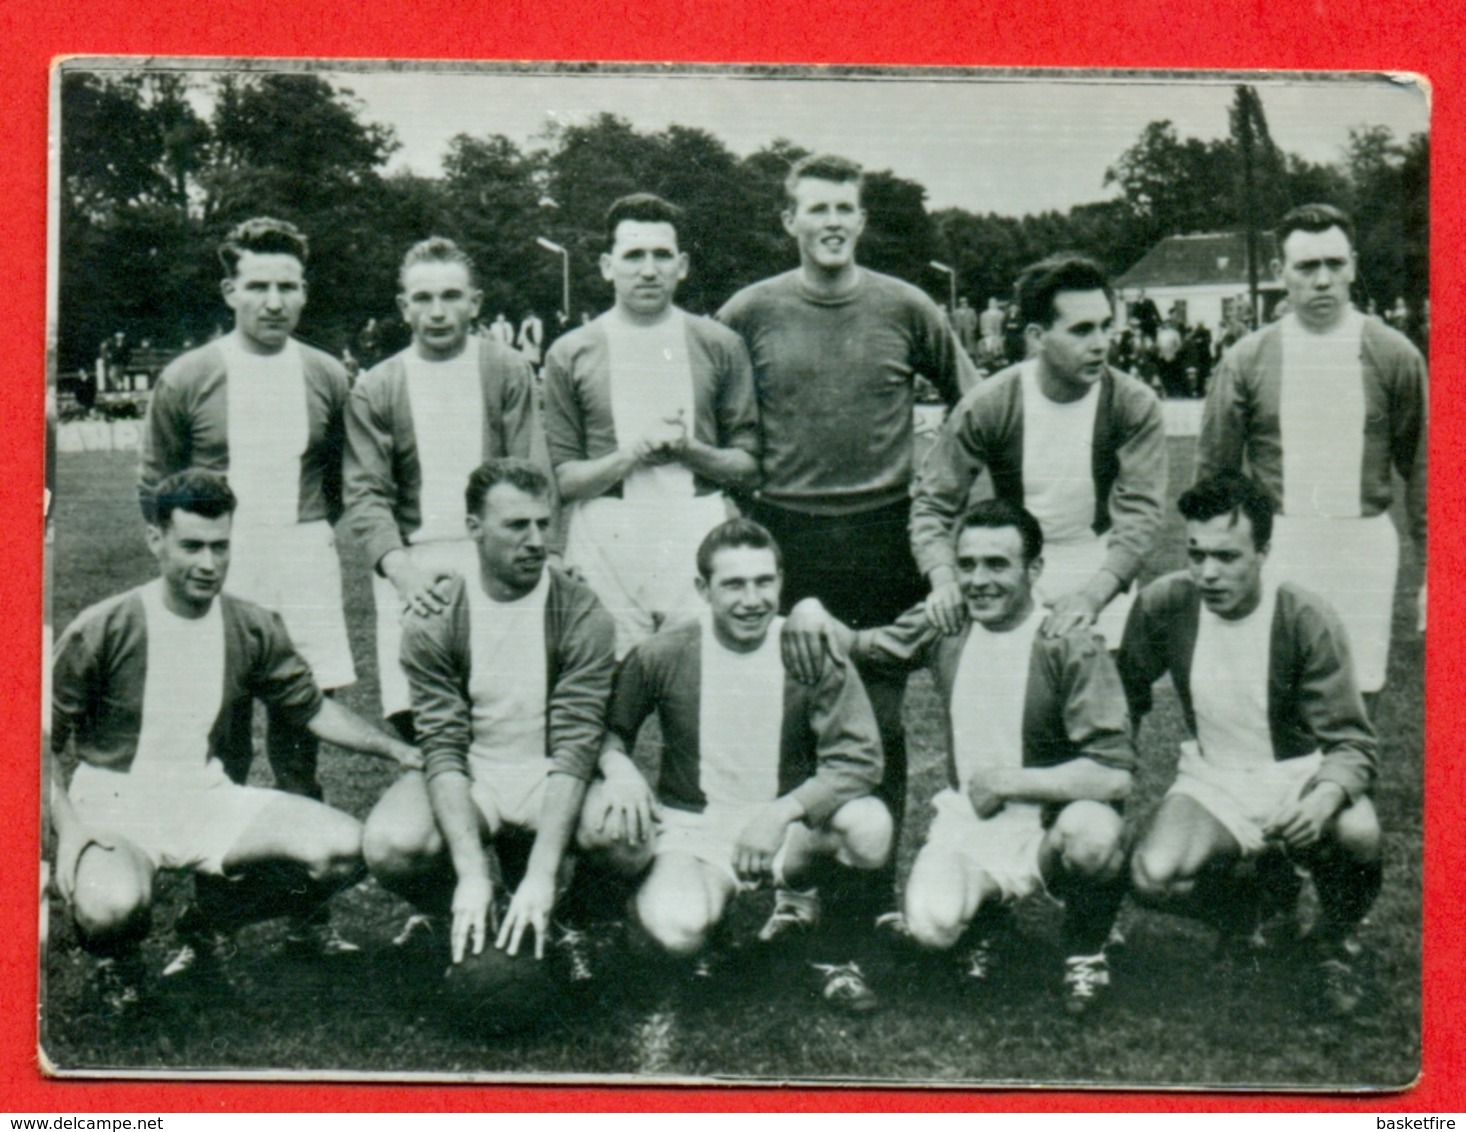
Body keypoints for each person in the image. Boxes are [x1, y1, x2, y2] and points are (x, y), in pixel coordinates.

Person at [717, 153, 969, 953]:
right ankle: (794, 891)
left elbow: (978, 403)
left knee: (882, 723)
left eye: (845, 209)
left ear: (861, 220)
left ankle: (878, 890)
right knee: (794, 721)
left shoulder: (906, 304)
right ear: (789, 219)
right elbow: (718, 422)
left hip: (884, 533)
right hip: (787, 533)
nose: (831, 222)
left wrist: (940, 493)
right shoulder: (749, 312)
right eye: (815, 208)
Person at [49, 472, 420, 1013]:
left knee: (344, 851)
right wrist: (71, 829)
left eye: (220, 547)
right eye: (192, 546)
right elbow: (34, 742)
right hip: (113, 801)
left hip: (204, 796)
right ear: (156, 540)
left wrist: (398, 750)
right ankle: (117, 961)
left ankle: (207, 922)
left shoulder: (250, 624)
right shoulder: (103, 628)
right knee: (112, 906)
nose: (208, 564)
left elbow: (312, 708)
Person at [785, 499, 1134, 1015]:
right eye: (967, 564)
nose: (978, 580)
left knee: (1095, 832)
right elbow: (859, 646)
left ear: (1034, 569)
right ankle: (988, 915)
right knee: (931, 928)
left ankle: (1085, 953)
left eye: (997, 564)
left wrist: (1010, 782)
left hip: (1048, 827)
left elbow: (1112, 776)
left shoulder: (1067, 641)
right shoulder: (946, 623)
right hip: (969, 824)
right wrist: (808, 608)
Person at [138, 217, 358, 962]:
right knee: (221, 745)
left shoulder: (327, 373)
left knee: (301, 746)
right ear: (230, 290)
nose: (273, 301)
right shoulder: (190, 375)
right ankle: (207, 925)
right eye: (257, 286)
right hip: (217, 567)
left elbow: (337, 477)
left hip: (302, 558)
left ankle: (307, 919)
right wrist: (188, 565)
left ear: (305, 291)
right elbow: (156, 485)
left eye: (287, 286)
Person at [579, 519, 891, 1012]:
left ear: (781, 581)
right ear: (704, 588)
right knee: (677, 930)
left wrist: (780, 812)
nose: (752, 600)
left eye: (764, 582)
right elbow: (603, 728)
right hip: (696, 829)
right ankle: (700, 909)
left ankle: (830, 951)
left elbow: (860, 758)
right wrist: (618, 766)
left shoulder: (808, 647)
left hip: (786, 833)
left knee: (870, 824)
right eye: (734, 584)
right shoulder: (664, 652)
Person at [1119, 472, 1381, 1017]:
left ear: (1263, 551)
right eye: (1196, 554)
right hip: (1214, 779)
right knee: (1150, 875)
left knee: (1358, 831)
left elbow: (1353, 743)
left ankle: (1333, 940)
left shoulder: (1304, 615)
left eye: (1227, 556)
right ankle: (1248, 909)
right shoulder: (1166, 603)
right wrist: (1114, 761)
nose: (1207, 572)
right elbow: (1125, 693)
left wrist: (1323, 797)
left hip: (1296, 777)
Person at [362, 459, 616, 968]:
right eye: (516, 525)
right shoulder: (436, 615)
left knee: (624, 838)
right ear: (473, 529)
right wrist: (473, 872)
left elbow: (577, 742)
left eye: (543, 524)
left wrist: (543, 874)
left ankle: (570, 918)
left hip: (550, 773)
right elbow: (443, 745)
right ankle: (461, 905)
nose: (535, 540)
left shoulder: (582, 610)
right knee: (391, 843)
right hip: (476, 775)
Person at [1196, 204, 1427, 698]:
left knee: (1359, 693)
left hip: (1363, 544)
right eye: (1307, 267)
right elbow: (1214, 475)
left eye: (1334, 264)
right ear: (1281, 273)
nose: (1323, 280)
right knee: (1276, 693)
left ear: (1353, 266)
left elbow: (1427, 470)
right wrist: (1216, 561)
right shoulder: (1246, 359)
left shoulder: (1394, 353)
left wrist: (1439, 570)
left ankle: (1353, 777)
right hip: (1280, 543)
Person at [345, 237, 548, 741]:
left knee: (504, 718)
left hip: (495, 558)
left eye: (451, 296)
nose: (438, 312)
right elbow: (366, 493)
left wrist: (527, 556)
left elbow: (529, 475)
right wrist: (403, 573)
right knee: (424, 722)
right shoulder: (378, 385)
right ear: (403, 307)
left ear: (475, 302)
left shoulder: (507, 369)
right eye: (423, 298)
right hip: (414, 565)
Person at [911, 254, 1167, 650]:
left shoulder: (1133, 403)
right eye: (1081, 330)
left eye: (1104, 326)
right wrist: (944, 580)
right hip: (1014, 568)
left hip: (1100, 562)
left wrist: (1093, 596)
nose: (1100, 344)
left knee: (1109, 703)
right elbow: (933, 504)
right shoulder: (990, 403)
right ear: (1036, 335)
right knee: (1017, 704)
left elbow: (1141, 516)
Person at [543, 193, 758, 657]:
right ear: (606, 265)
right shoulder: (571, 351)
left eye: (661, 255)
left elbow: (747, 466)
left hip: (697, 528)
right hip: (606, 535)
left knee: (702, 691)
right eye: (633, 255)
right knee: (607, 694)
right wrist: (636, 452)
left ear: (681, 265)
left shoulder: (720, 344)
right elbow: (565, 479)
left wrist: (687, 450)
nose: (648, 269)